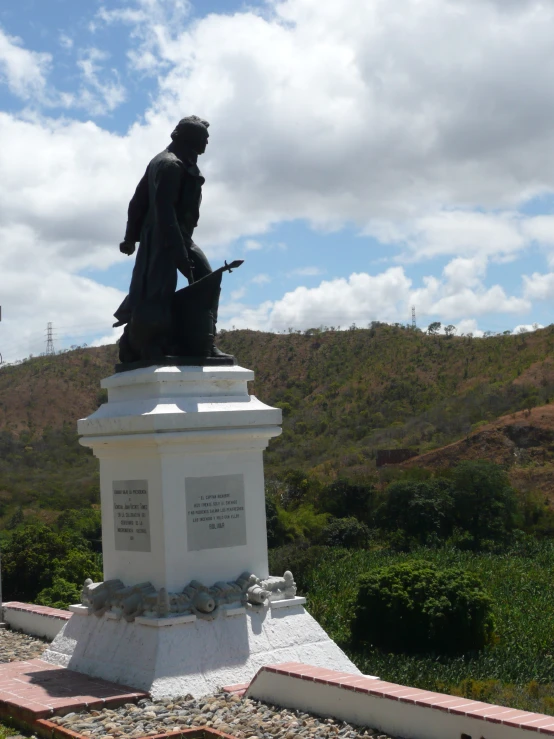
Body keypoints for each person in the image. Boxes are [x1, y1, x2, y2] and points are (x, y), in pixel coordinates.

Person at [114, 115, 228, 358]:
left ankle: (202, 342)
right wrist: (178, 252)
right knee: (157, 293)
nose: (206, 143)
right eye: (203, 138)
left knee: (205, 282)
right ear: (190, 138)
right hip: (164, 237)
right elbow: (162, 209)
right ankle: (145, 344)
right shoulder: (170, 165)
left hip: (175, 236)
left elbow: (137, 201)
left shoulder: (168, 161)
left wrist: (130, 236)